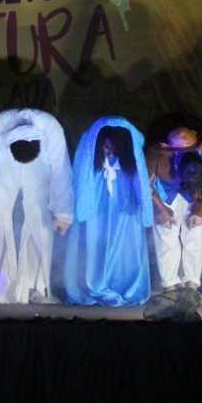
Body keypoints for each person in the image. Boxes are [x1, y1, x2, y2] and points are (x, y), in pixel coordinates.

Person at [0, 108, 73, 304]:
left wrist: (63, 213)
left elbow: (60, 170)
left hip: (40, 186)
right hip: (2, 183)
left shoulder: (51, 127)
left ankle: (32, 287)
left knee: (39, 235)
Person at [61, 115, 153, 307]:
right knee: (97, 242)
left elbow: (141, 181)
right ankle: (96, 284)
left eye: (115, 148)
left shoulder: (131, 161)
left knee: (125, 243)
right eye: (106, 147)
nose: (110, 152)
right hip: (97, 204)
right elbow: (80, 181)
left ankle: (125, 286)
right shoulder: (89, 151)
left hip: (125, 204)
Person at [145, 125, 202, 292]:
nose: (185, 153)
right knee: (166, 238)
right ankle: (170, 288)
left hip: (195, 193)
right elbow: (146, 185)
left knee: (195, 236)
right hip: (166, 194)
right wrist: (161, 212)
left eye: (190, 149)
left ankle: (192, 287)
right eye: (180, 150)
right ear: (168, 147)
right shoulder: (156, 153)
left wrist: (201, 210)